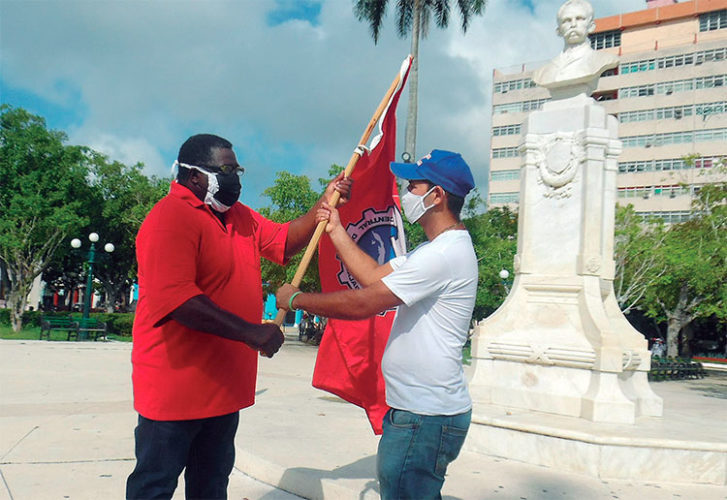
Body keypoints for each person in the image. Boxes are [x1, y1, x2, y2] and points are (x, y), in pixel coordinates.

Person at [126, 133, 351, 499]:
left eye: (237, 169)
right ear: (194, 175)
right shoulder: (170, 218)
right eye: (226, 170)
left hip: (223, 391)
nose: (235, 178)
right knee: (154, 486)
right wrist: (251, 332)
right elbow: (179, 300)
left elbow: (285, 241)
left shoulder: (238, 216)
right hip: (174, 389)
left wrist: (324, 204)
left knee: (212, 485)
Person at [276, 149, 478, 499]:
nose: (406, 192)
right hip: (420, 413)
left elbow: (365, 303)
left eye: (414, 185)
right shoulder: (433, 251)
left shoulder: (443, 255)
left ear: (438, 195)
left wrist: (297, 300)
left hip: (424, 416)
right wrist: (337, 230)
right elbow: (372, 277)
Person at [533, 0, 618, 89]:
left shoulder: (603, 59)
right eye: (566, 20)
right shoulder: (543, 72)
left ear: (591, 26)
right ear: (558, 31)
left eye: (579, 19)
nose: (573, 25)